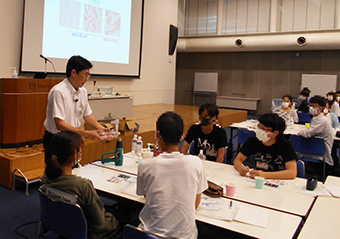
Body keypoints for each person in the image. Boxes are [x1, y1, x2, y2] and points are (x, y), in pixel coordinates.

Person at [136, 112, 208, 239]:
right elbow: (195, 205)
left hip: (150, 235)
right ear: (182, 136)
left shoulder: (145, 165)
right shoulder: (196, 163)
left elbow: (148, 198)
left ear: (157, 135)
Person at [42, 131, 119, 239]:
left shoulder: (46, 177)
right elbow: (100, 220)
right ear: (74, 154)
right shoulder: (83, 185)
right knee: (121, 215)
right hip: (87, 232)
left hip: (59, 225)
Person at [43, 55, 111, 163]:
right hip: (57, 139)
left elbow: (87, 115)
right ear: (73, 73)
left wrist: (100, 129)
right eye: (85, 74)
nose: (87, 79)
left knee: (73, 170)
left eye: (89, 75)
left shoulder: (82, 91)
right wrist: (87, 133)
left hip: (73, 137)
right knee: (57, 175)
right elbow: (60, 124)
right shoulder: (58, 91)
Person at [234, 113, 297, 179]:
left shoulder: (285, 145)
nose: (260, 131)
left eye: (265, 129)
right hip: (257, 179)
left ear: (276, 133)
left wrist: (264, 175)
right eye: (259, 127)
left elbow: (292, 172)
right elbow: (237, 160)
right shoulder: (253, 141)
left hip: (278, 179)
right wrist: (240, 168)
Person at [299, 95, 335, 169]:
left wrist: (300, 132)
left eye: (314, 106)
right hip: (314, 150)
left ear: (322, 108)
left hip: (321, 154)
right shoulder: (315, 118)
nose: (311, 108)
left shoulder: (323, 120)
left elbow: (307, 133)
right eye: (310, 105)